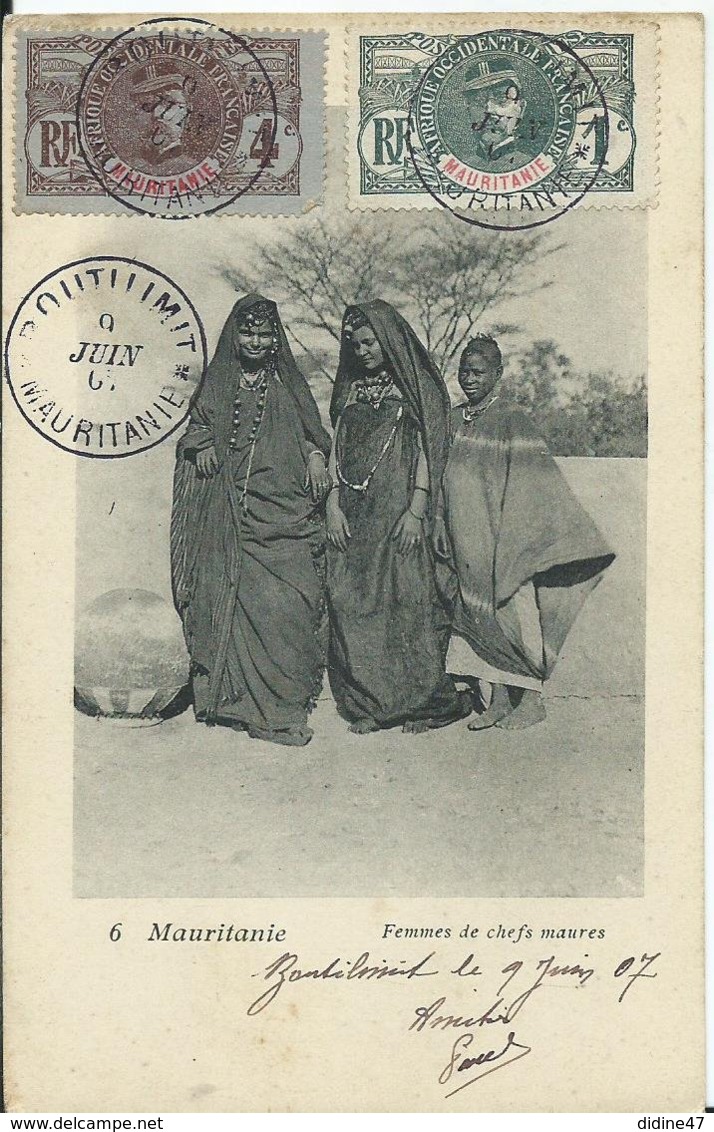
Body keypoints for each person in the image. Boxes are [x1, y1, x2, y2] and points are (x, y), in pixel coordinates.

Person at [171, 294, 332, 746]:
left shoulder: (287, 385)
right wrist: (201, 443)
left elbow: (310, 432)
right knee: (231, 604)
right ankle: (238, 705)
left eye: (265, 333)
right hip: (230, 517)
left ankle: (283, 709)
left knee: (290, 607)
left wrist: (317, 456)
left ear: (276, 337)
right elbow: (196, 426)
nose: (257, 341)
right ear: (234, 335)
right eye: (248, 332)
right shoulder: (218, 382)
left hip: (284, 517)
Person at [438, 334, 615, 730]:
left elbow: (533, 483)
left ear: (498, 375)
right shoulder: (453, 419)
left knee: (511, 619)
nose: (469, 379)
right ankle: (498, 701)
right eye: (464, 371)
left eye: (479, 372)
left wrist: (514, 536)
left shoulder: (512, 419)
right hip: (462, 538)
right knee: (476, 620)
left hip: (503, 538)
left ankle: (532, 701)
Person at [326, 300, 470, 734]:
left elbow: (430, 448)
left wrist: (417, 509)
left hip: (400, 512)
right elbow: (338, 445)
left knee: (405, 603)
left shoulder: (413, 386)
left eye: (371, 342)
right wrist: (332, 503)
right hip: (353, 514)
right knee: (350, 601)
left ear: (388, 341)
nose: (363, 351)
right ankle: (372, 704)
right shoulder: (350, 389)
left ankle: (425, 704)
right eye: (356, 344)